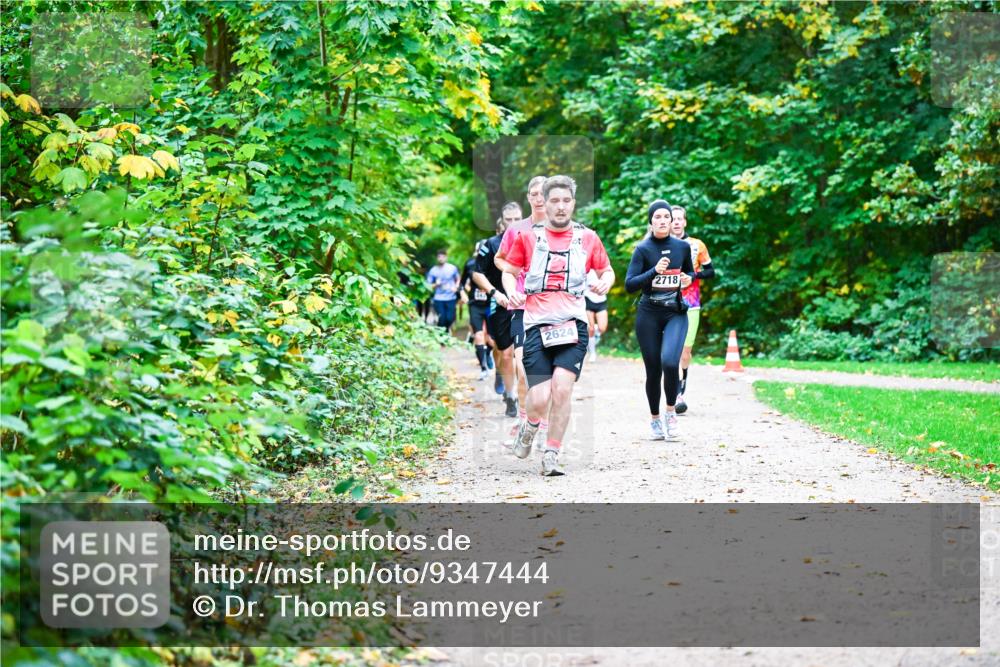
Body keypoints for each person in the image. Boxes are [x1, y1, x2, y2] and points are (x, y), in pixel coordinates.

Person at [502, 175, 614, 476]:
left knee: (562, 391)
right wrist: (511, 288)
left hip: (573, 325)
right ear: (544, 203)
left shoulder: (587, 238)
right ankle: (530, 425)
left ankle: (551, 454)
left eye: (566, 201)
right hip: (537, 324)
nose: (561, 206)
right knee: (538, 397)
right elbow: (509, 271)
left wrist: (605, 282)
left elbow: (607, 270)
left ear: (573, 203)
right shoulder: (528, 237)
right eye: (554, 201)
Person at [624, 200, 694, 441]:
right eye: (658, 217)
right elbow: (629, 285)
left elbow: (690, 272)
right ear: (651, 222)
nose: (663, 220)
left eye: (667, 217)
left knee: (669, 362)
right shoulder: (643, 250)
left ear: (673, 221)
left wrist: (687, 279)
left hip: (675, 312)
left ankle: (671, 414)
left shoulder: (682, 247)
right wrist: (654, 271)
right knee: (653, 370)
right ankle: (655, 419)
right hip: (649, 314)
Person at [494, 176, 547, 439]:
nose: (538, 198)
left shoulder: (562, 229)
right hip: (522, 307)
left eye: (542, 193)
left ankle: (543, 424)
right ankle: (525, 421)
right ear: (528, 198)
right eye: (533, 193)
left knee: (548, 373)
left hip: (552, 308)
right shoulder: (516, 230)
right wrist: (513, 282)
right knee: (524, 368)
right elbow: (499, 258)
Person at [474, 210, 522, 417]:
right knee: (506, 353)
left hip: (527, 305)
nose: (512, 223)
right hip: (501, 305)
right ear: (502, 222)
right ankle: (510, 396)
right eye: (508, 219)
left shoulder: (533, 239)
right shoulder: (491, 245)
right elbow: (477, 273)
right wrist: (494, 293)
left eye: (517, 219)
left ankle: (524, 396)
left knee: (523, 354)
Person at [670, 205, 715, 414]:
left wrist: (693, 276)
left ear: (685, 222)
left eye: (680, 219)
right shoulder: (660, 244)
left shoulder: (697, 245)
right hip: (666, 304)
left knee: (685, 351)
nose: (677, 222)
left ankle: (681, 388)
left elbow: (711, 272)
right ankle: (674, 394)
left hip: (691, 304)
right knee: (670, 351)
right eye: (674, 219)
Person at [462, 242, 494, 381]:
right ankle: (483, 368)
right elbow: (461, 285)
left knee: (491, 338)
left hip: (490, 304)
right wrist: (462, 293)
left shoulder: (494, 264)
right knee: (479, 335)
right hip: (475, 305)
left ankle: (488, 354)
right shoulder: (469, 264)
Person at [426, 250, 460, 334]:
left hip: (451, 297)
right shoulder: (433, 270)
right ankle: (442, 336)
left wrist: (456, 287)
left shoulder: (452, 268)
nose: (441, 259)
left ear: (446, 257)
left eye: (443, 256)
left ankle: (445, 332)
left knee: (450, 318)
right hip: (439, 298)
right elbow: (428, 286)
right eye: (439, 257)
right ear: (437, 258)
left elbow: (458, 279)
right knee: (442, 318)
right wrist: (436, 284)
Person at [584, 269, 608, 361]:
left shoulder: (606, 271)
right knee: (591, 328)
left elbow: (608, 284)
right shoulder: (587, 268)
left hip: (601, 301)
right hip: (588, 300)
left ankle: (594, 337)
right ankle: (592, 353)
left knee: (602, 328)